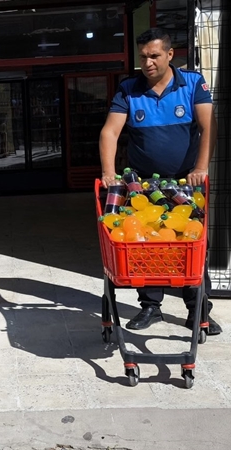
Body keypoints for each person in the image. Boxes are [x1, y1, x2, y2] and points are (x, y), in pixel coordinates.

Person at [99, 28, 220, 335]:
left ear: (170, 54)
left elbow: (208, 127)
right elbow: (110, 132)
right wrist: (109, 172)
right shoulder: (129, 89)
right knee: (147, 244)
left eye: (154, 56)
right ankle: (151, 307)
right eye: (143, 57)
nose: (148, 63)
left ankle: (199, 310)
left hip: (186, 183)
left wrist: (201, 168)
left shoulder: (192, 84)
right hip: (145, 186)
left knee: (191, 243)